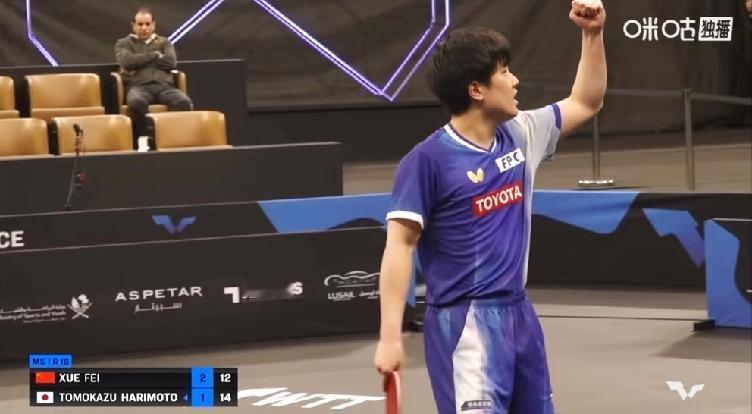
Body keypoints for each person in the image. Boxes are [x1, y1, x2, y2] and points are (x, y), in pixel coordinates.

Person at [373, 0, 607, 413]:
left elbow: (586, 102)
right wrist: (390, 337)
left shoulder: (522, 133)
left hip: (520, 315)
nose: (515, 81)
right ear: (476, 89)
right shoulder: (427, 161)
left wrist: (593, 34)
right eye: (504, 71)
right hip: (465, 323)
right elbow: (400, 247)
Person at [114, 7, 192, 141]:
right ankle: (145, 139)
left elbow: (170, 62)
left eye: (147, 24)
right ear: (133, 26)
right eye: (140, 24)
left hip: (164, 87)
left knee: (183, 102)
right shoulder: (123, 43)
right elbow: (127, 62)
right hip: (138, 87)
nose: (144, 28)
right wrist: (155, 55)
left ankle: (166, 137)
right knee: (135, 103)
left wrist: (139, 61)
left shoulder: (164, 42)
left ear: (153, 25)